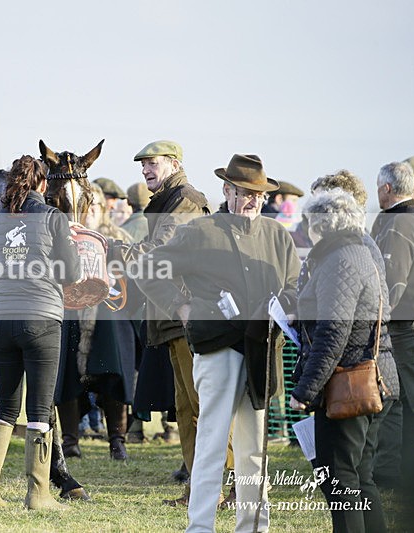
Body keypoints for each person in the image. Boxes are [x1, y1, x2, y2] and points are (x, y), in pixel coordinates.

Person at [136, 153, 300, 532]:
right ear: (226, 190)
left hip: (262, 352)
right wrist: (180, 306)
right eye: (244, 193)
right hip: (217, 350)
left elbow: (293, 286)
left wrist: (288, 307)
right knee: (211, 443)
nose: (252, 201)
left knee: (254, 450)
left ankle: (254, 526)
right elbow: (147, 267)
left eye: (258, 195)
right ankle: (200, 527)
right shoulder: (200, 231)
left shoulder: (278, 236)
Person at [110, 140, 222, 506]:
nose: (145, 170)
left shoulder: (185, 200)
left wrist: (110, 248)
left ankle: (226, 488)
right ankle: (199, 490)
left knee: (203, 408)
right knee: (187, 411)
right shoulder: (166, 201)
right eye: (142, 164)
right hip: (172, 318)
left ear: (173, 164)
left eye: (152, 163)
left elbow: (158, 254)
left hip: (187, 315)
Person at [290, 189, 399, 532]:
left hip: (350, 381)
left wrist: (306, 390)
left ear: (324, 224)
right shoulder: (359, 253)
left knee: (339, 480)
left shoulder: (340, 260)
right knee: (359, 477)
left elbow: (333, 335)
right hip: (375, 376)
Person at [0, 155, 81, 511]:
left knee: (5, 406)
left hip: (2, 318)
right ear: (41, 184)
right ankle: (38, 494)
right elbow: (70, 273)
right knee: (38, 410)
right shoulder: (53, 217)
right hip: (40, 318)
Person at [55, 184, 136, 461]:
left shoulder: (116, 237)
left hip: (109, 316)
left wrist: (116, 278)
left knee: (113, 373)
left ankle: (117, 439)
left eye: (94, 207)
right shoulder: (62, 237)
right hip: (70, 314)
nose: (88, 213)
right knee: (65, 373)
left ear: (102, 210)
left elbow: (133, 276)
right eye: (84, 207)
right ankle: (69, 440)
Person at [369, 161, 414, 487]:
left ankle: (405, 474)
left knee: (413, 402)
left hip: (406, 325)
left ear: (387, 189)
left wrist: (376, 318)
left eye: (378, 187)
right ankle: (397, 471)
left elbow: (392, 283)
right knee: (407, 401)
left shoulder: (397, 224)